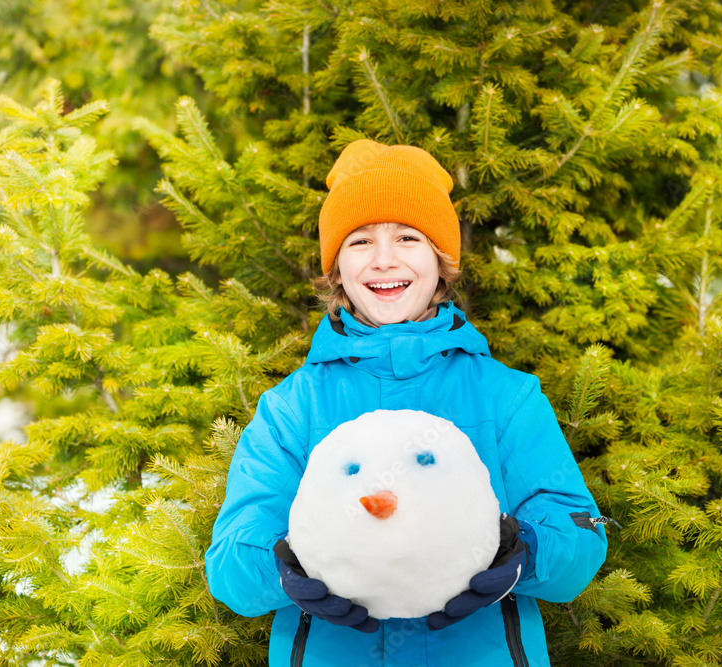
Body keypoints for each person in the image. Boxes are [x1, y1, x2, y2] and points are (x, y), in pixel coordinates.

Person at [205, 139, 608, 666]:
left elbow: (580, 538)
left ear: (440, 261)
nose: (385, 259)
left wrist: (523, 552)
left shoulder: (506, 397)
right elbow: (230, 564)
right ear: (336, 269)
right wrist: (287, 566)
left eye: (408, 237)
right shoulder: (292, 408)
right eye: (360, 241)